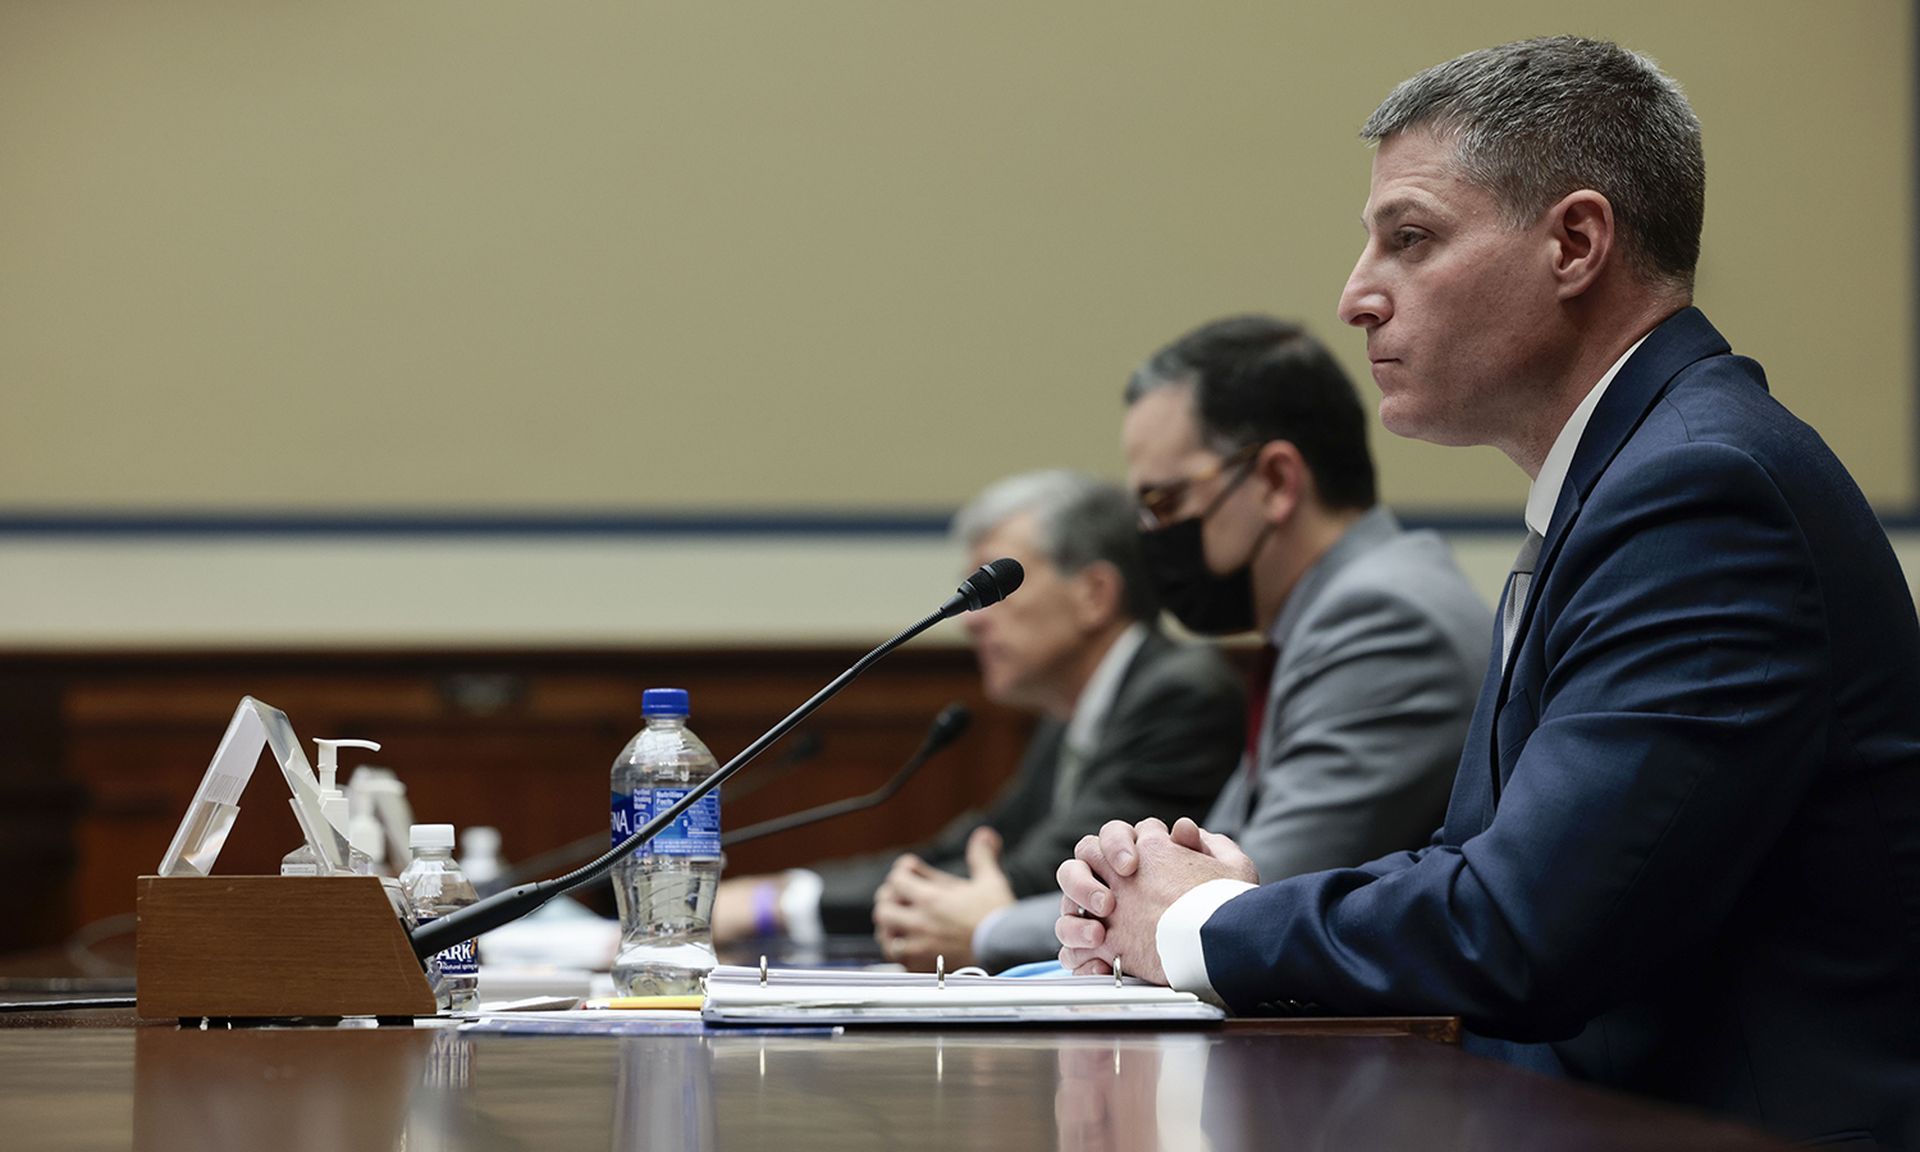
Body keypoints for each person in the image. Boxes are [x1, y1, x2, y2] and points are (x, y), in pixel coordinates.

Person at [1055, 36, 1920, 1148]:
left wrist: (1201, 928)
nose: (1357, 295)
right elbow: (1491, 863)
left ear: (1576, 242)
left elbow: (1523, 928)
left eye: (1409, 239)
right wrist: (1248, 901)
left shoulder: (1702, 494)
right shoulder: (1640, 472)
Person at [971, 316, 1492, 970]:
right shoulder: (1322, 618)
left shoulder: (1383, 619)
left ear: (1274, 482)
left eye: (1164, 503)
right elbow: (1208, 861)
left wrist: (989, 928)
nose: (1150, 536)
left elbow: (1242, 896)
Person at [712, 469, 1242, 967]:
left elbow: (1041, 876)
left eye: (997, 591)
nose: (974, 624)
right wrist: (782, 891)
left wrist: (776, 905)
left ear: (1094, 594)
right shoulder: (1075, 709)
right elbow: (974, 847)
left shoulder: (1182, 694)